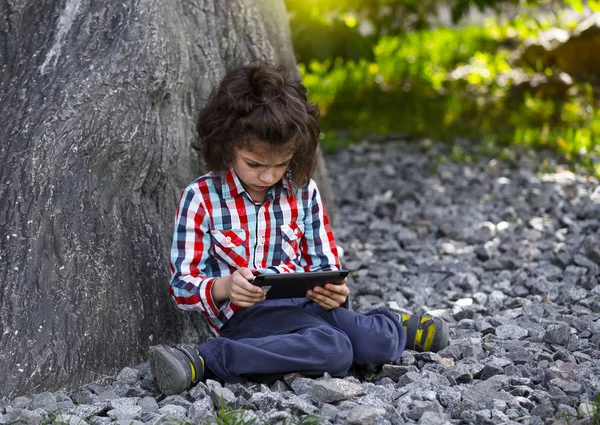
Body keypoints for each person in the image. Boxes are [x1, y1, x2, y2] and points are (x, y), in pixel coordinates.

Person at [148, 62, 449, 396]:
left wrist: (334, 289)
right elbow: (181, 286)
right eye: (255, 164)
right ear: (225, 145)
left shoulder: (303, 191)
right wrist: (225, 286)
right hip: (248, 319)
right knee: (334, 351)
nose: (268, 176)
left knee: (373, 343)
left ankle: (392, 327)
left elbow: (325, 264)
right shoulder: (201, 198)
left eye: (281, 164)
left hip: (308, 305)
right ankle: (202, 359)